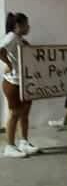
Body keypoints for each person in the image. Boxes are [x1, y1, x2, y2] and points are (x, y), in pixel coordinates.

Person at [0, 12, 39, 158]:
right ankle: (9, 146)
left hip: (25, 82)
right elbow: (0, 50)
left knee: (25, 113)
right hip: (13, 83)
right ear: (17, 26)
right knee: (15, 113)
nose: (28, 27)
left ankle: (24, 142)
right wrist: (9, 64)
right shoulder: (11, 37)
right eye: (26, 24)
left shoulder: (19, 39)